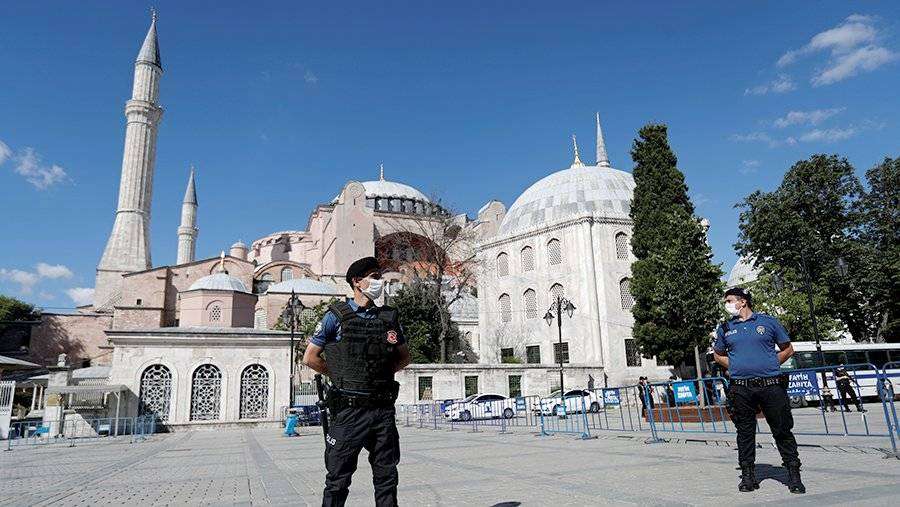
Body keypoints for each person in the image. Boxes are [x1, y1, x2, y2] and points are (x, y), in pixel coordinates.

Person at [302, 256, 412, 507]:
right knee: (337, 480)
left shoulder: (389, 318)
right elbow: (310, 357)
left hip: (382, 410)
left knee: (387, 478)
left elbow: (404, 357)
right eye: (374, 277)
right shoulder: (336, 316)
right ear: (357, 281)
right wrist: (338, 374)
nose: (379, 282)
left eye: (379, 277)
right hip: (349, 411)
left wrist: (379, 375)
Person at [713, 287, 805, 494]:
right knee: (745, 432)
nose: (727, 305)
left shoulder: (768, 322)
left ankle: (793, 474)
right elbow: (718, 355)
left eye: (729, 301)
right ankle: (748, 476)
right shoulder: (725, 328)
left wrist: (770, 364)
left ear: (743, 301)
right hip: (741, 387)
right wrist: (736, 367)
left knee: (781, 429)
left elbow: (788, 349)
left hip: (771, 385)